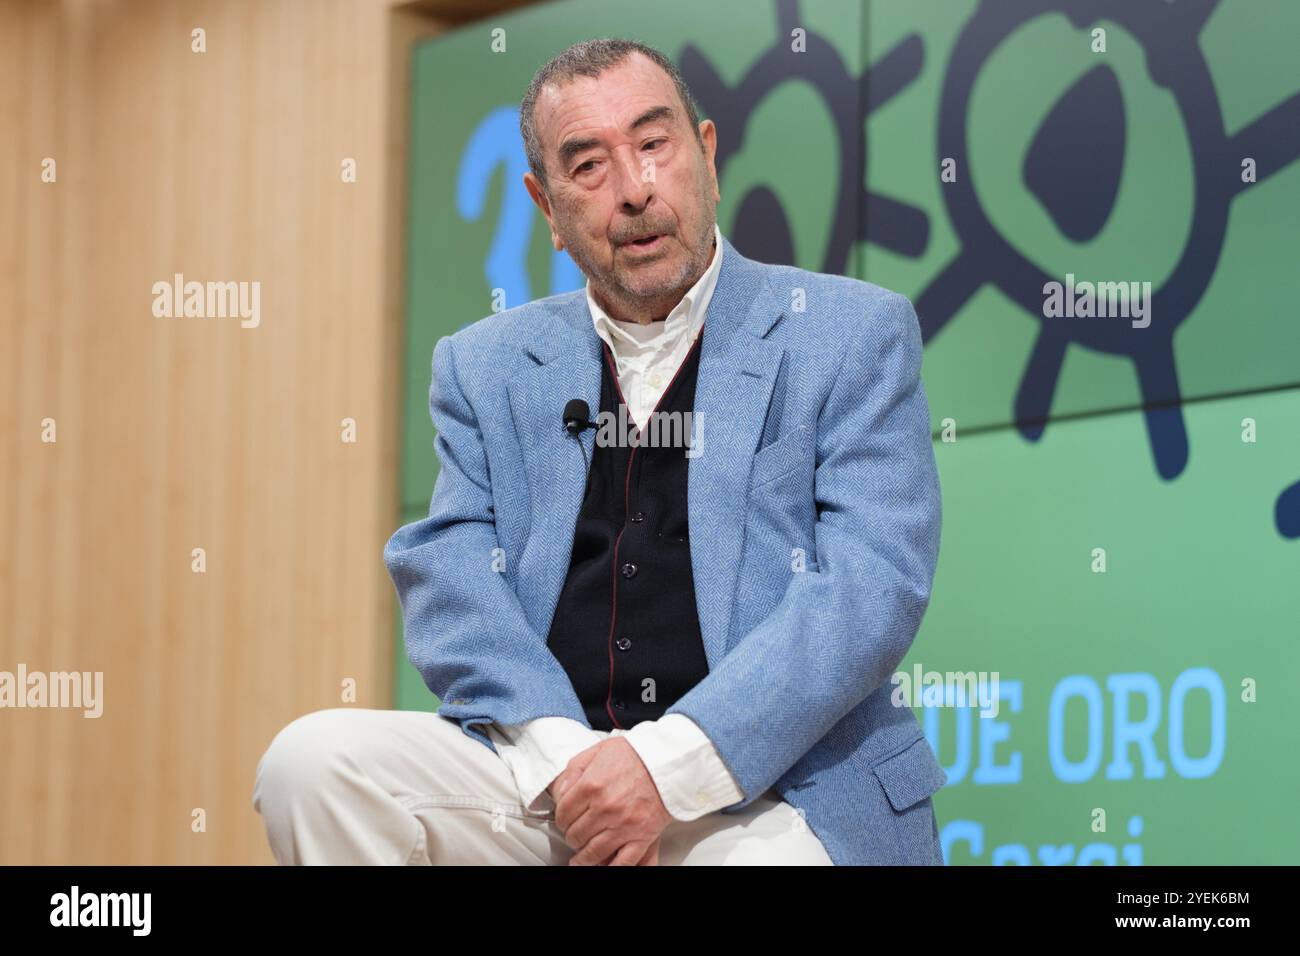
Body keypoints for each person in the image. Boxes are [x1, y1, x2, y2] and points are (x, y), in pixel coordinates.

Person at [253, 37, 945, 866]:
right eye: (587, 166)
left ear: (707, 155)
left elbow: (870, 590)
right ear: (546, 208)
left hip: (769, 795)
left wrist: (660, 772)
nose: (634, 190)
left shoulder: (848, 333)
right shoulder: (484, 367)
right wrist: (577, 770)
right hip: (554, 784)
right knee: (314, 764)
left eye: (654, 144)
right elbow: (453, 583)